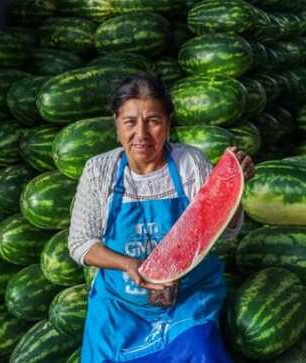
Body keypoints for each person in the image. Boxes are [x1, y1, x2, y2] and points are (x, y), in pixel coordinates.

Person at [68, 73, 255, 363]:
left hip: (188, 298)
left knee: (199, 350)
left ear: (168, 123)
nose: (141, 134)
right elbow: (80, 243)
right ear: (116, 123)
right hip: (120, 304)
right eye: (130, 122)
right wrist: (127, 264)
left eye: (153, 121)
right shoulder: (99, 171)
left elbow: (227, 231)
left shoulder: (190, 164)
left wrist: (233, 188)